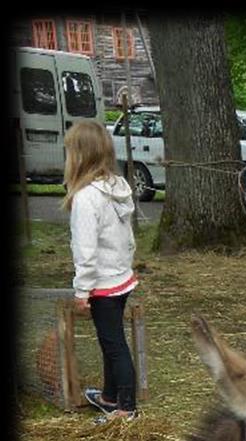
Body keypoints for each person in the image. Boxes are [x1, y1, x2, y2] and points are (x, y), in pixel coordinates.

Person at [63, 119, 139, 423]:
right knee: (110, 339)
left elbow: (85, 250)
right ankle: (109, 397)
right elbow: (126, 237)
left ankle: (126, 409)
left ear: (80, 155)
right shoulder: (115, 187)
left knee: (114, 344)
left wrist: (82, 290)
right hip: (121, 278)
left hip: (103, 284)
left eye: (69, 151)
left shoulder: (86, 197)